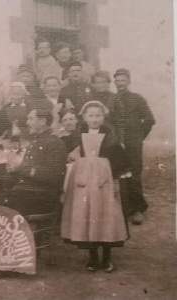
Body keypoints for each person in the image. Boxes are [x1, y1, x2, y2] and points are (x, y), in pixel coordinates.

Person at [61, 101, 131, 273]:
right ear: (84, 117)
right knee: (87, 214)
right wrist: (74, 156)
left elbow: (119, 160)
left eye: (98, 116)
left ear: (103, 116)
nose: (94, 119)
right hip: (83, 180)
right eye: (91, 116)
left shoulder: (110, 135)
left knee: (105, 214)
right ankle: (92, 256)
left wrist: (114, 181)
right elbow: (70, 152)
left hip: (103, 180)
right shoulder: (78, 134)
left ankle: (107, 256)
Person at [0, 108, 67, 216]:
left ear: (42, 121)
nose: (27, 123)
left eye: (31, 119)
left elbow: (52, 175)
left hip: (41, 197)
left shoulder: (55, 144)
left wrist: (20, 167)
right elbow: (27, 172)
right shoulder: (36, 141)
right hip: (25, 193)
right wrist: (14, 171)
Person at [108, 69, 155, 225]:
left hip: (133, 143)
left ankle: (137, 209)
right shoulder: (112, 99)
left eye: (123, 80)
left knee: (134, 174)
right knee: (120, 174)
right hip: (117, 142)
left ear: (128, 82)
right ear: (114, 83)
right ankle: (124, 209)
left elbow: (149, 120)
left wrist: (138, 136)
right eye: (117, 81)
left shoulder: (137, 99)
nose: (120, 83)